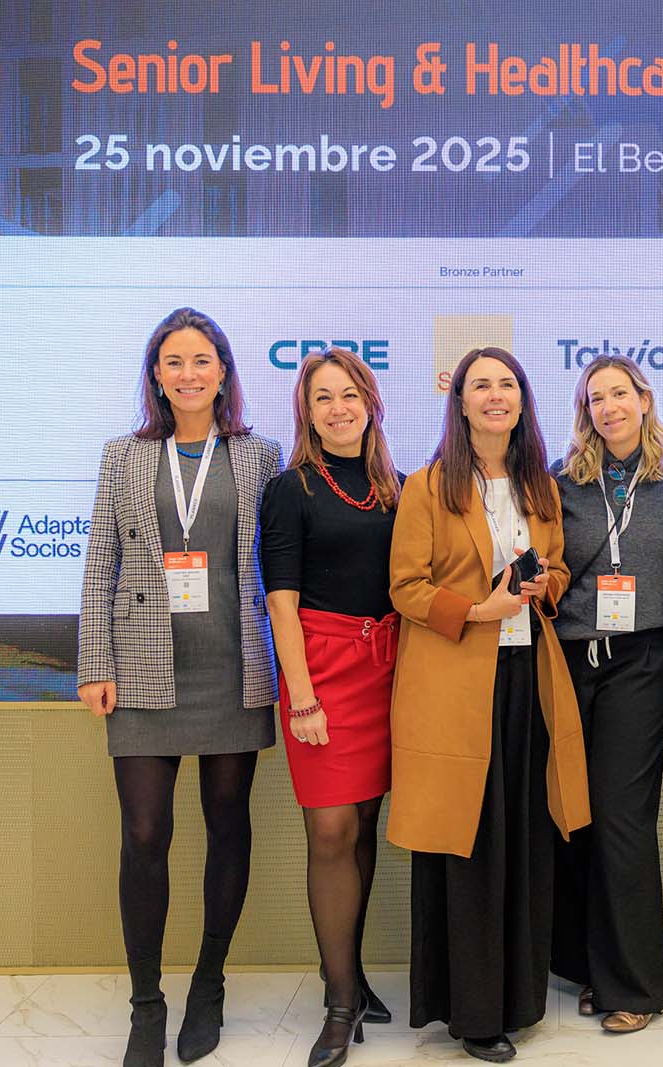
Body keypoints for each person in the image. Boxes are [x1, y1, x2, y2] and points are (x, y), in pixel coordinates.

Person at [76, 307, 283, 1067]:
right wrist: (94, 662)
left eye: (201, 360)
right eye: (174, 361)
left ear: (223, 371)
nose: (188, 373)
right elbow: (99, 562)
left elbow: (279, 559)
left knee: (228, 825)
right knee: (143, 835)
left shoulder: (259, 454)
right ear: (156, 376)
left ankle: (208, 983)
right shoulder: (123, 456)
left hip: (232, 665)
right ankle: (145, 1005)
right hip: (140, 665)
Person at [387, 347, 591, 1063]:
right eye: (482, 385)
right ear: (461, 401)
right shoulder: (427, 486)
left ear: (522, 399)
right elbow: (405, 587)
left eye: (507, 384)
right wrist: (480, 609)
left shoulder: (540, 484)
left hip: (527, 678)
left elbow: (558, 566)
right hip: (454, 684)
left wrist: (541, 587)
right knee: (468, 842)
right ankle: (473, 1014)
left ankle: (518, 1000)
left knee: (523, 837)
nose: (496, 395)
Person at [259, 348, 401, 1067]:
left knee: (365, 822)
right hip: (321, 671)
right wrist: (303, 698)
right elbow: (281, 604)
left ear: (370, 403)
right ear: (306, 413)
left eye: (349, 394)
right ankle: (340, 1003)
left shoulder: (396, 488)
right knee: (331, 831)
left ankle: (351, 974)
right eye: (323, 398)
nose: (338, 408)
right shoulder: (290, 489)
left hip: (389, 669)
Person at [549, 356, 663, 1033]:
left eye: (619, 394)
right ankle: (587, 967)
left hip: (642, 662)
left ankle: (637, 985)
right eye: (595, 398)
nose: (608, 407)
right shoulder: (559, 480)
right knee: (572, 814)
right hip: (570, 659)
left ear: (644, 399)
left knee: (623, 818)